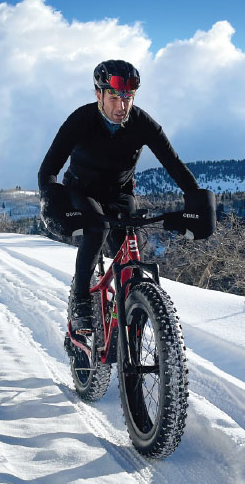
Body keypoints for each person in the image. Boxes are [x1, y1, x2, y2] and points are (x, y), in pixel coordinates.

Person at [38, 59, 210, 332]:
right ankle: (81, 299)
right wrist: (51, 198)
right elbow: (48, 170)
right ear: (99, 95)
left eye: (128, 97)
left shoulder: (141, 123)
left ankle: (135, 308)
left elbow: (173, 163)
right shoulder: (80, 120)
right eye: (114, 97)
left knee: (133, 246)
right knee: (97, 228)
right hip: (81, 192)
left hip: (119, 194)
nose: (122, 106)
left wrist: (196, 198)